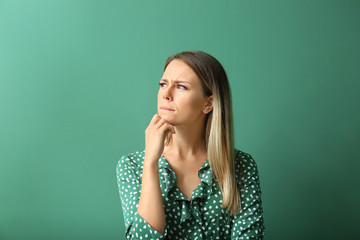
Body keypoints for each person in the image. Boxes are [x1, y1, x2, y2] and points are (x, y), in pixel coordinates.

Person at [116, 51, 265, 239]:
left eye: (181, 87)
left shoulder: (241, 166)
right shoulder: (132, 166)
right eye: (163, 84)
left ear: (208, 103)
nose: (166, 94)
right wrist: (150, 162)